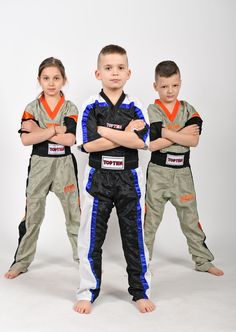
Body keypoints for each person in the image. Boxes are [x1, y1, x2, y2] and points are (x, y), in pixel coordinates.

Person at [73, 45, 155, 314]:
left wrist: (104, 130)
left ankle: (140, 291)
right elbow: (88, 145)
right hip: (98, 178)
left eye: (120, 68)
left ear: (129, 72)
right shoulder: (90, 105)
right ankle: (87, 290)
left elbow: (141, 142)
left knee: (134, 237)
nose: (115, 73)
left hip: (129, 178)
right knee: (90, 237)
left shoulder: (135, 105)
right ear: (98, 73)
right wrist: (124, 133)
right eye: (108, 68)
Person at [144, 60, 224, 276]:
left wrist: (167, 133)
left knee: (190, 218)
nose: (169, 91)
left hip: (183, 174)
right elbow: (153, 144)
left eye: (174, 85)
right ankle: (142, 263)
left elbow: (194, 141)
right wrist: (182, 135)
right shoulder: (152, 109)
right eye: (164, 86)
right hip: (158, 173)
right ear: (155, 86)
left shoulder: (188, 108)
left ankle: (203, 260)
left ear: (180, 83)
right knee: (150, 219)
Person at [4, 57, 80, 279]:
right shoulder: (32, 107)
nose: (51, 83)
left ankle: (83, 260)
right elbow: (26, 141)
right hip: (39, 165)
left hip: (65, 166)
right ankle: (21, 261)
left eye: (56, 78)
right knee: (32, 215)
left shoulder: (70, 107)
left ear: (64, 80)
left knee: (74, 216)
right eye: (46, 78)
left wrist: (40, 130)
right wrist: (57, 129)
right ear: (39, 80)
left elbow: (70, 140)